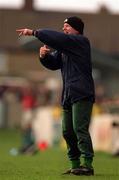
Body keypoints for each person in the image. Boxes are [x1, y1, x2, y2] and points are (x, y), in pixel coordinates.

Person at [16, 16, 95, 175]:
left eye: (67, 26)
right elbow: (53, 64)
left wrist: (34, 32)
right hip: (68, 94)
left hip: (81, 93)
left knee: (79, 129)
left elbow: (56, 38)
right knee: (67, 131)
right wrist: (43, 56)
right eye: (63, 26)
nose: (63, 28)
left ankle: (87, 165)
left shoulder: (80, 42)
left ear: (76, 29)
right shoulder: (66, 48)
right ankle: (75, 165)